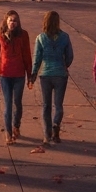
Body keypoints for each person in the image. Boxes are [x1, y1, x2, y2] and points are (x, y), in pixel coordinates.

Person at [30, 10, 74, 145]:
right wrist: (64, 64)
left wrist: (33, 74)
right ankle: (56, 124)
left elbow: (37, 58)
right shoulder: (65, 37)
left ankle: (46, 134)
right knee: (58, 104)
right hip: (60, 74)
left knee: (46, 105)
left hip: (46, 74)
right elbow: (70, 56)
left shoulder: (41, 38)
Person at [0, 10, 33, 145]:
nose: (12, 23)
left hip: (19, 75)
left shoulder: (23, 35)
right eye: (10, 20)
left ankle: (16, 126)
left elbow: (27, 55)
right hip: (5, 75)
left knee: (17, 103)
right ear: (6, 21)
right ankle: (8, 132)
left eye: (15, 20)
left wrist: (30, 75)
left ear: (18, 22)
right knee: (7, 105)